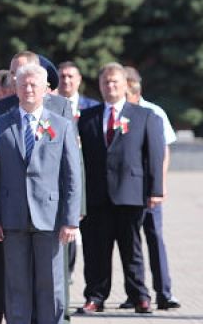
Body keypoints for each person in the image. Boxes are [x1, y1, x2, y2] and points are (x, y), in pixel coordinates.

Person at [0, 62, 81, 324]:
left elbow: (72, 176)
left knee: (51, 285)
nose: (28, 89)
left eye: (33, 85)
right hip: (11, 218)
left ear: (45, 90)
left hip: (51, 218)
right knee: (16, 286)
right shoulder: (1, 125)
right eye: (23, 84)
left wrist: (71, 219)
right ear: (15, 87)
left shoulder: (61, 125)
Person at [77, 62, 164, 314]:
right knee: (96, 252)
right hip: (96, 197)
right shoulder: (87, 117)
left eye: (115, 81)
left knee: (132, 250)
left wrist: (155, 190)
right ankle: (95, 296)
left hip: (130, 194)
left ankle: (140, 297)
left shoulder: (144, 116)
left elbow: (154, 156)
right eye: (106, 82)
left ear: (126, 85)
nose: (110, 86)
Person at [119, 66, 181, 310]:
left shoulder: (154, 112)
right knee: (129, 243)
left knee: (155, 239)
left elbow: (163, 152)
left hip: (149, 190)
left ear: (134, 89)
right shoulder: (119, 113)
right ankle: (135, 292)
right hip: (128, 191)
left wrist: (160, 185)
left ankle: (164, 292)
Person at [0, 51, 73, 120]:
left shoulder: (61, 107)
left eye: (20, 72)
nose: (15, 78)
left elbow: (69, 136)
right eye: (12, 73)